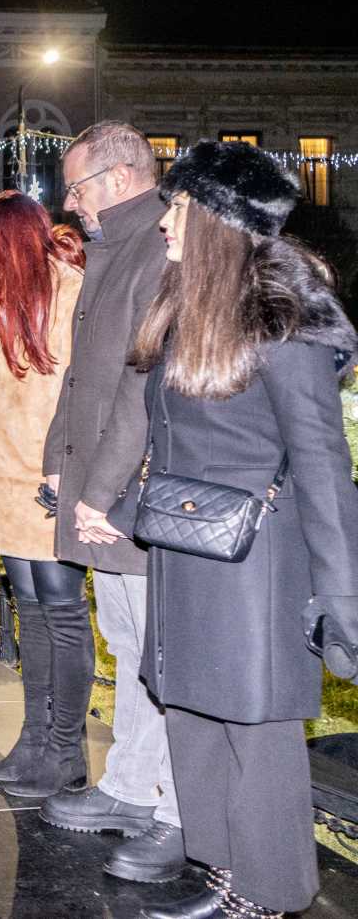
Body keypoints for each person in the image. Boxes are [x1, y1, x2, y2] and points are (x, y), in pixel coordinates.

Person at [91, 141, 358, 919]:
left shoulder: (286, 323)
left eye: (178, 207)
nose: (165, 222)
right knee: (195, 716)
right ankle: (224, 867)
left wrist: (343, 596)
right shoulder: (187, 312)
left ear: (215, 219)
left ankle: (270, 889)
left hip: (256, 566)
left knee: (256, 727)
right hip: (186, 549)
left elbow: (323, 470)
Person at [35, 123, 183, 882]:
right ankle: (129, 785)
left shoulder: (158, 246)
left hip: (132, 493)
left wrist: (101, 490)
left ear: (121, 178)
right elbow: (81, 373)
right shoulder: (118, 245)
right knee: (128, 645)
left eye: (79, 186)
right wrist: (60, 461)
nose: (71, 202)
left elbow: (139, 381)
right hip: (101, 487)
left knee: (163, 652)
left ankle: (171, 805)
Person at [0, 193, 90, 796]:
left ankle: (66, 751)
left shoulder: (68, 289)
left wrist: (64, 471)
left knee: (62, 613)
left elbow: (82, 392)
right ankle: (34, 741)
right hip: (1, 478)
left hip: (45, 478)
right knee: (30, 610)